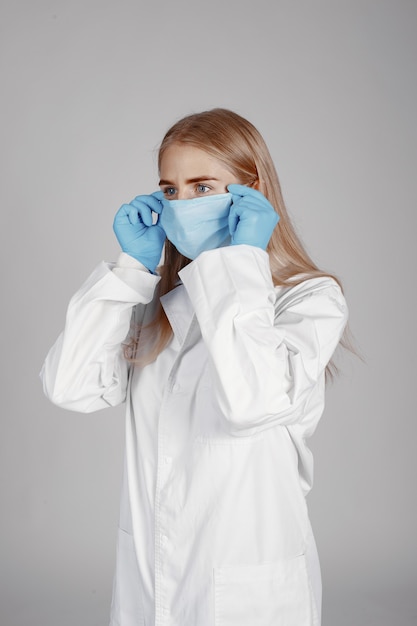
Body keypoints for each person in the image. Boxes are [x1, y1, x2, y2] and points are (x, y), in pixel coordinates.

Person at [41, 108, 348, 626]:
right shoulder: (158, 306)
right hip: (151, 574)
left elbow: (253, 403)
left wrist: (239, 262)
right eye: (169, 190)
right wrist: (130, 269)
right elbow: (69, 386)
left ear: (252, 193)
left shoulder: (309, 299)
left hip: (247, 581)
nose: (182, 206)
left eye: (203, 187)